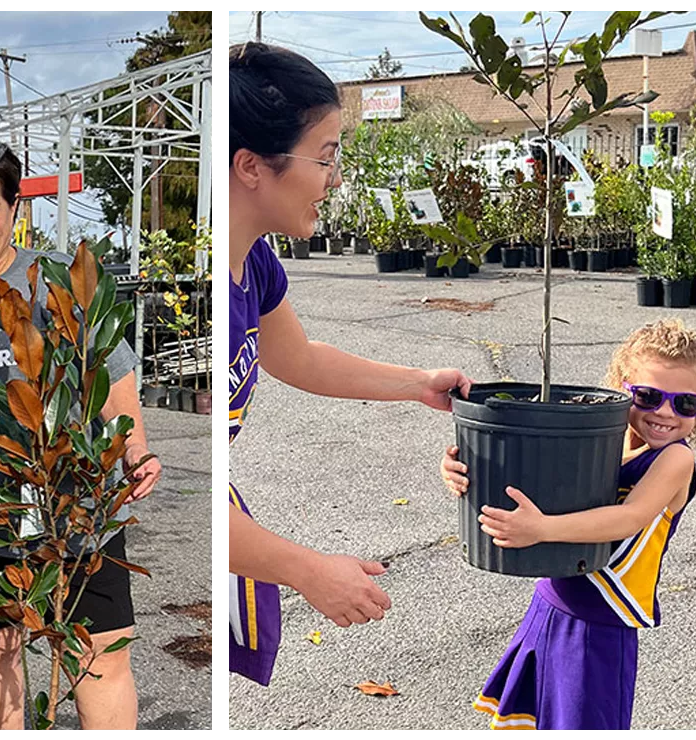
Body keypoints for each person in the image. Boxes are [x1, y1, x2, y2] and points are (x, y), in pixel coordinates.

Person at [223, 41, 474, 686]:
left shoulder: (253, 262)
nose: (336, 178)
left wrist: (419, 384)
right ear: (252, 166)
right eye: (327, 156)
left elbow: (298, 358)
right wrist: (308, 569)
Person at [0, 138, 162, 730]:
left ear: (14, 209)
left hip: (73, 502)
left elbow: (112, 376)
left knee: (98, 654)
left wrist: (134, 445)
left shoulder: (59, 281)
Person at [441, 319, 696, 731]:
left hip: (604, 619)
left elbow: (630, 517)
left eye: (686, 403)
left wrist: (542, 529)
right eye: (649, 396)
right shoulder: (606, 436)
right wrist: (462, 469)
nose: (665, 414)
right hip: (551, 600)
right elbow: (534, 477)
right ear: (623, 389)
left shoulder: (676, 459)